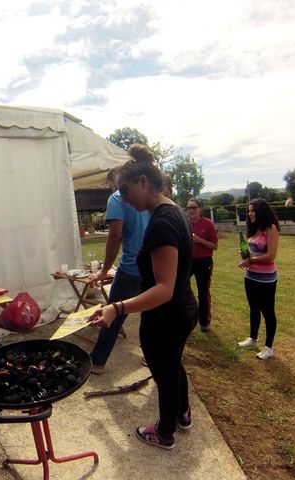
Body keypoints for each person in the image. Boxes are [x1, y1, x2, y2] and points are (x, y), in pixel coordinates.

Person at [89, 155, 198, 450]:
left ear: (144, 182)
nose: (122, 198)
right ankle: (182, 413)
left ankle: (164, 432)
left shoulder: (162, 223)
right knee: (173, 363)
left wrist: (118, 307)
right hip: (181, 310)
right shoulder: (175, 212)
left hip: (167, 315)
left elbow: (164, 288)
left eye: (125, 191)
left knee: (164, 372)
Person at [89, 149, 151, 374]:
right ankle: (151, 357)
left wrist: (104, 270)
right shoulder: (150, 195)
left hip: (130, 269)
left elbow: (115, 236)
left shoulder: (116, 198)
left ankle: (97, 362)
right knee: (151, 314)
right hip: (152, 268)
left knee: (113, 314)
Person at [236, 198, 280, 360]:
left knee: (268, 311)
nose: (249, 214)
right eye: (248, 211)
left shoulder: (271, 228)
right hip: (250, 276)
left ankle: (269, 347)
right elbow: (251, 253)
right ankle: (252, 339)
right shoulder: (254, 229)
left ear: (261, 211)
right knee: (254, 308)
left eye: (253, 210)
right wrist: (244, 254)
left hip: (266, 279)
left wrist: (250, 260)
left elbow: (271, 255)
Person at [186, 198, 218, 332]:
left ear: (200, 209)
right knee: (182, 288)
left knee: (203, 292)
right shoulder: (185, 223)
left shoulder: (208, 224)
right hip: (188, 260)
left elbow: (214, 246)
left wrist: (199, 240)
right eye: (189, 208)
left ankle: (204, 322)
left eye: (194, 207)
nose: (191, 210)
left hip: (204, 261)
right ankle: (187, 318)